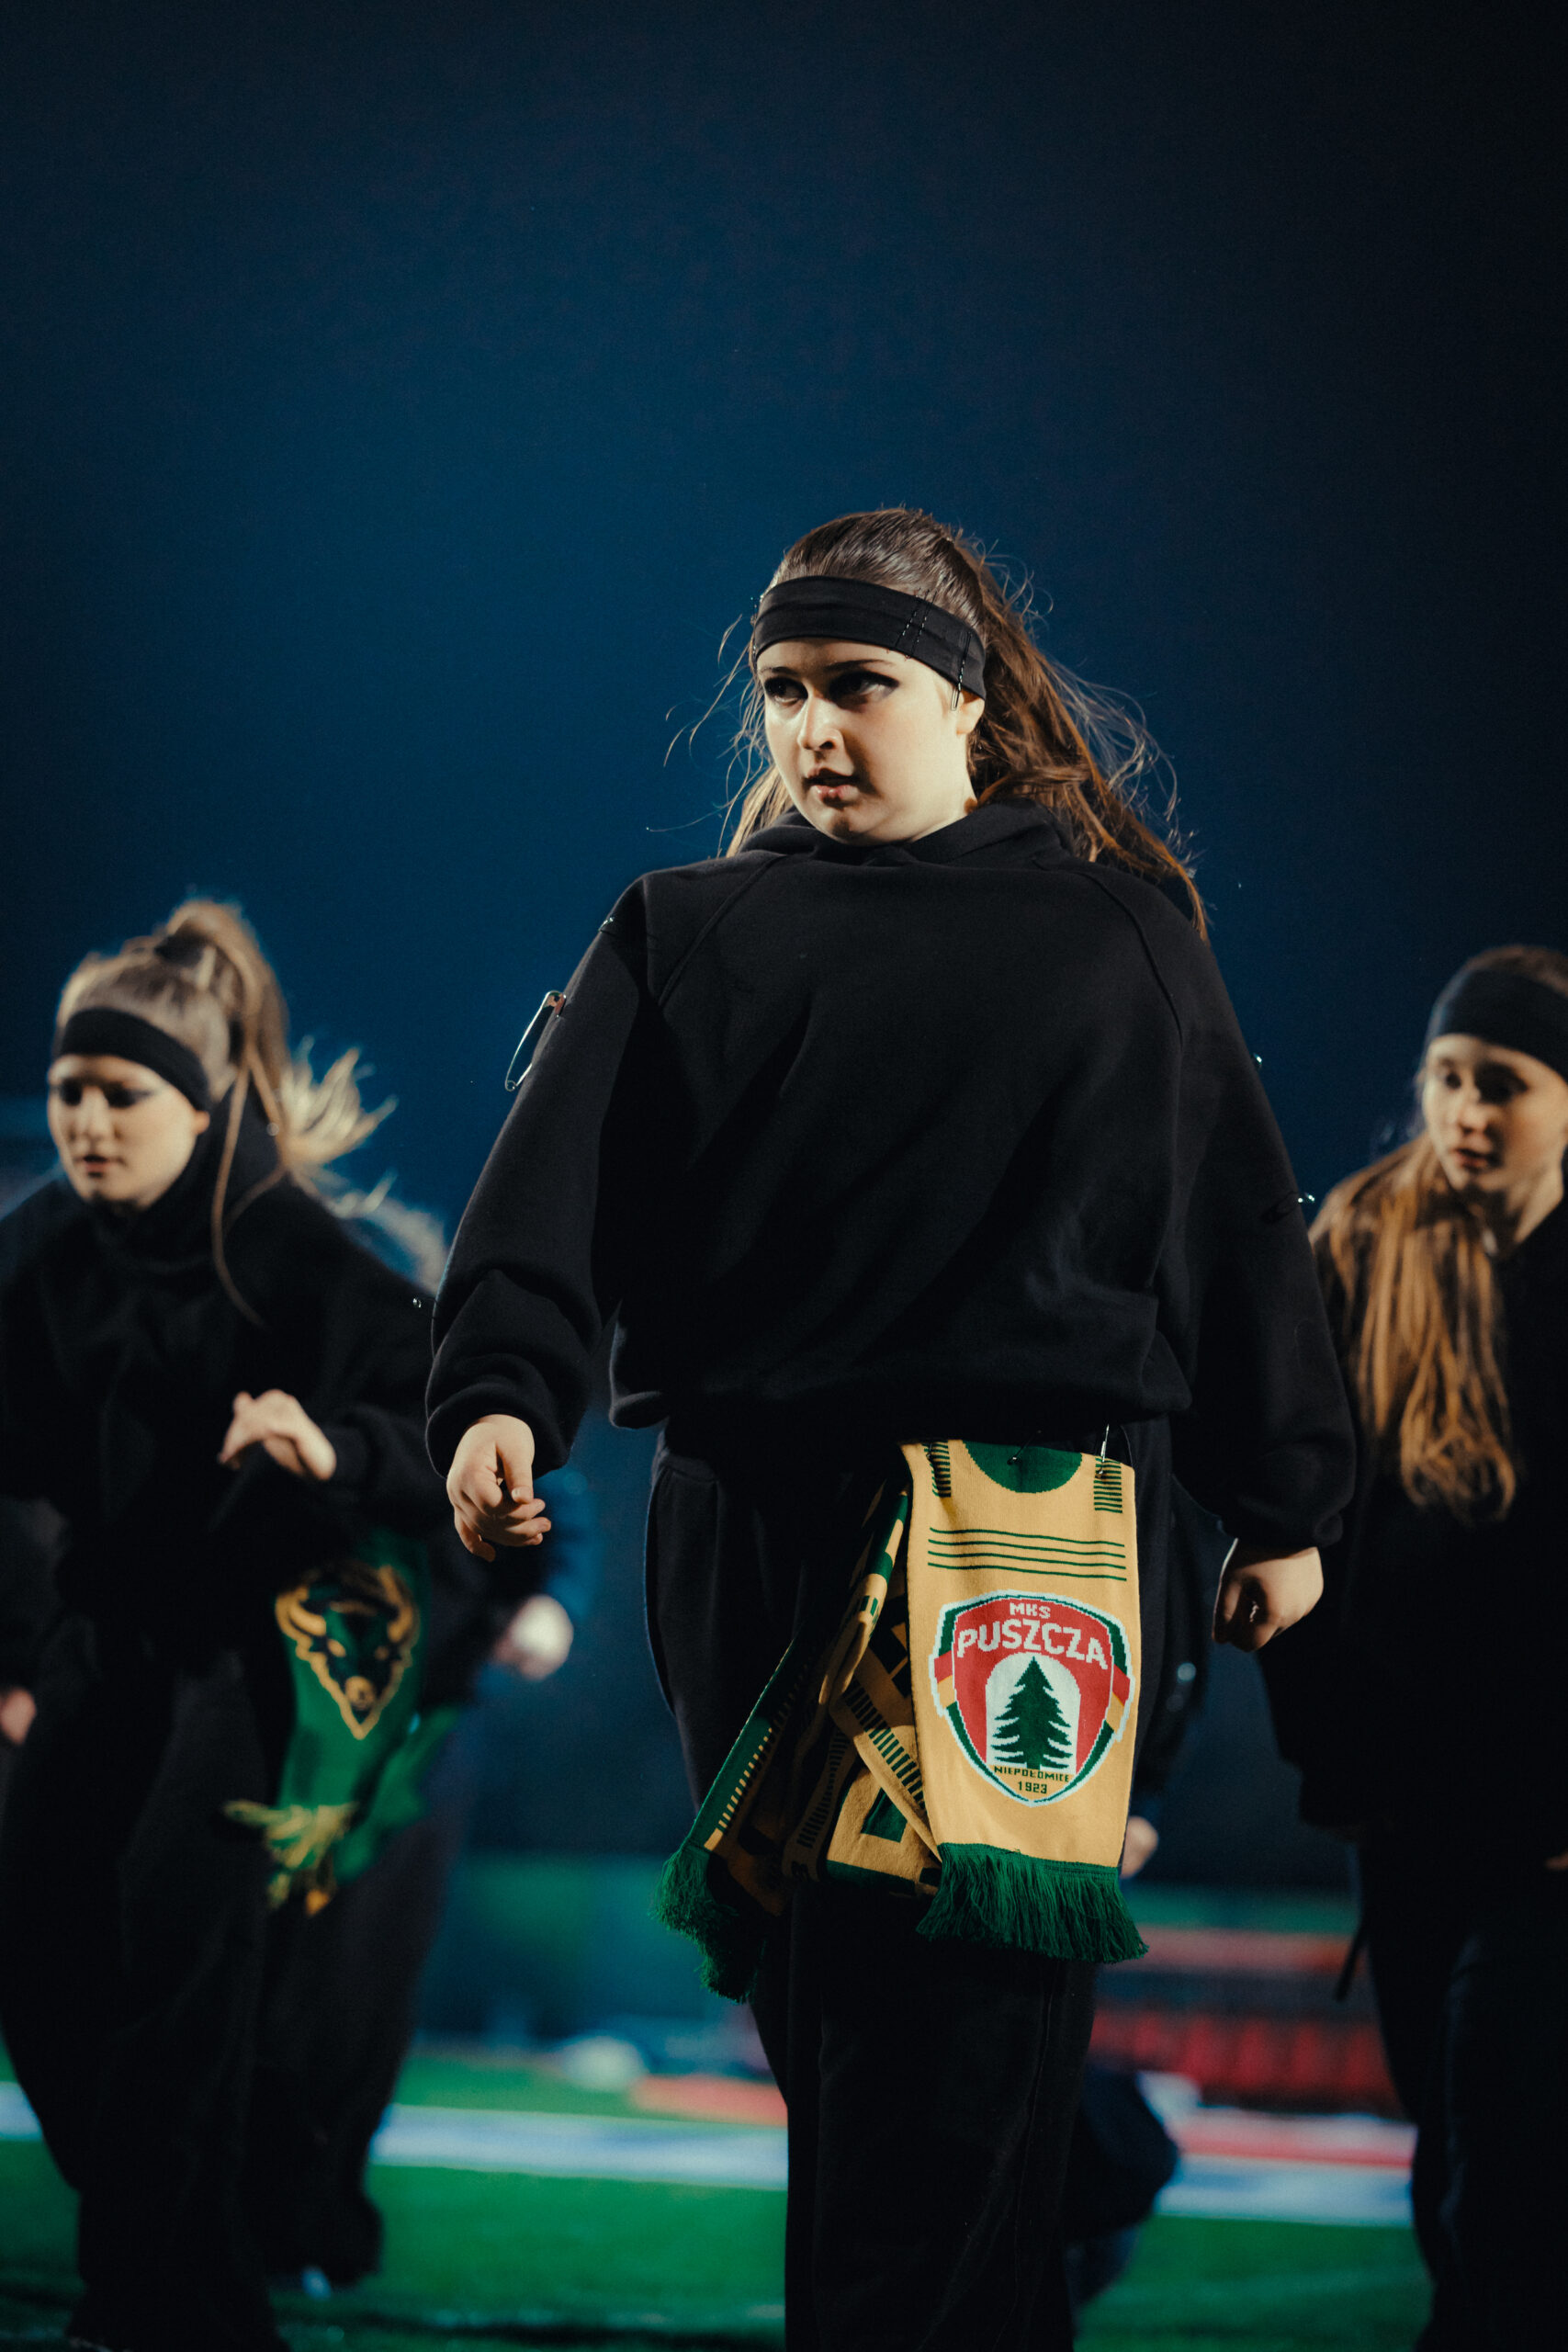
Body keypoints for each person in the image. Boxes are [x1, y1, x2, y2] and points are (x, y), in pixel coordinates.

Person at [428, 507, 1355, 2351]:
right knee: (845, 2042)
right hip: (748, 1526)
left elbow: (1235, 1233)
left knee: (954, 2057)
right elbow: (546, 1201)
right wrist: (498, 1393)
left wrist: (1285, 1499)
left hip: (1031, 1531)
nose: (810, 725)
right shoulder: (683, 931)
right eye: (781, 689)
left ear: (965, 697)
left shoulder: (1119, 936)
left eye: (855, 682)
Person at [0, 899, 543, 2352]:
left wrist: (333, 1447)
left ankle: (153, 2298)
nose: (87, 1123)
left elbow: (454, 1434)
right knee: (38, 1957)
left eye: (122, 1095)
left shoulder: (290, 1246)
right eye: (67, 1091)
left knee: (180, 1968)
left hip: (255, 1659)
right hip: (102, 1645)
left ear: (200, 1105)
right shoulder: (42, 1248)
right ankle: (185, 2279)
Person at [1261, 945, 1568, 2350]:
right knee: (1447, 2143)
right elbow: (1293, 1514)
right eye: (1447, 1077)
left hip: (1551, 1825)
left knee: (1508, 2154)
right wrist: (1333, 1749)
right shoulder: (1359, 1246)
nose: (1466, 1110)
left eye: (1502, 1083)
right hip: (1404, 1800)